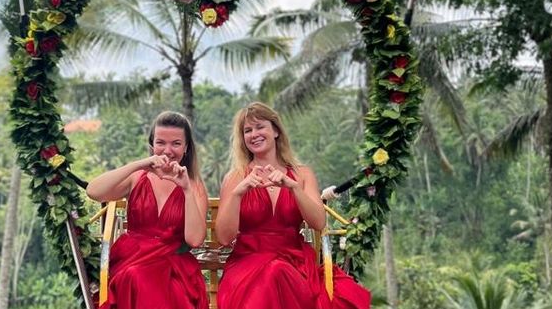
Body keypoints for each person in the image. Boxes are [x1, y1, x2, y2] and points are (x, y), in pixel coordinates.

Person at [214, 102, 370, 309]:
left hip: (294, 261)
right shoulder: (235, 178)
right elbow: (224, 238)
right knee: (273, 273)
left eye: (260, 127)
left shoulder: (302, 174)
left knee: (278, 271)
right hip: (247, 262)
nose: (254, 134)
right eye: (247, 130)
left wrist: (294, 188)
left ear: (276, 131)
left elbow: (318, 222)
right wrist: (237, 194)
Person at [86, 111, 209, 309]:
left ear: (186, 147)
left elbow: (194, 240)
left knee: (166, 289)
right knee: (136, 276)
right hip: (133, 258)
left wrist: (186, 189)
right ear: (152, 144)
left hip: (173, 264)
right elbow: (93, 191)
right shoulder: (137, 177)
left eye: (176, 143)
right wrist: (139, 164)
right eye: (160, 143)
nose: (167, 150)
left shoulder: (194, 187)